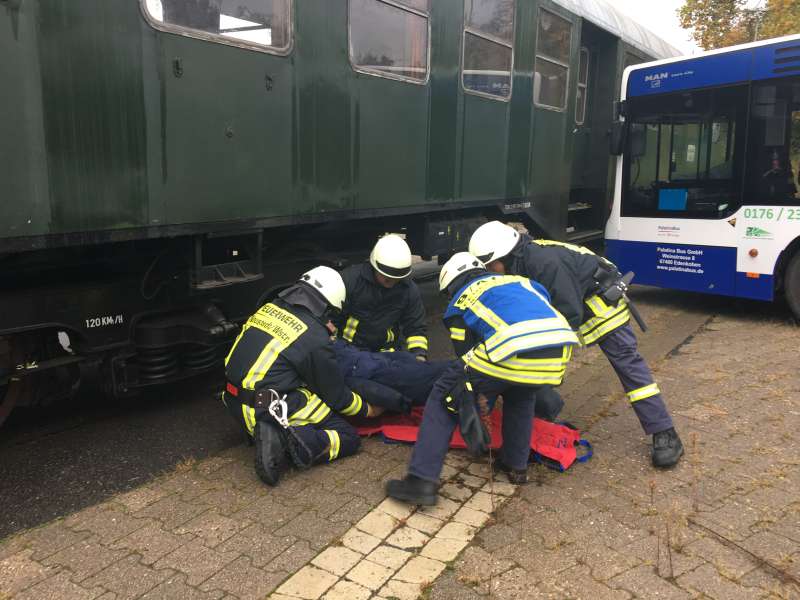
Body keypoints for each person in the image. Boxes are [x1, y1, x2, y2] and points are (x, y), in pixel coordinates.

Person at [469, 221, 683, 468]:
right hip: (579, 305)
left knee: (630, 368)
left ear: (504, 255)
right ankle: (543, 415)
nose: (490, 271)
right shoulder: (522, 261)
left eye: (489, 265)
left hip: (602, 306)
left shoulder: (541, 262)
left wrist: (553, 366)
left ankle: (665, 434)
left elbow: (567, 311)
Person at [386, 253, 580, 505]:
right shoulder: (521, 281)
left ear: (451, 284)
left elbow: (464, 357)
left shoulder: (460, 300)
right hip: (559, 349)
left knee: (444, 394)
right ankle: (516, 465)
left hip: (511, 345)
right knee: (520, 394)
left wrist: (470, 402)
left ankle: (421, 481)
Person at [223, 266, 380, 486]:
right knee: (347, 437)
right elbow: (336, 396)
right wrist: (366, 410)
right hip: (267, 406)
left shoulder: (270, 308)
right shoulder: (313, 337)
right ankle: (287, 441)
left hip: (233, 399)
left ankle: (268, 430)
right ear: (327, 306)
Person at [335, 234, 429, 360]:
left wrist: (419, 355)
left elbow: (415, 327)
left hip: (387, 355)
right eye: (387, 278)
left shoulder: (408, 289)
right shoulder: (350, 281)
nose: (392, 283)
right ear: (375, 267)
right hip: (351, 353)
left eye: (397, 279)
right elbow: (332, 319)